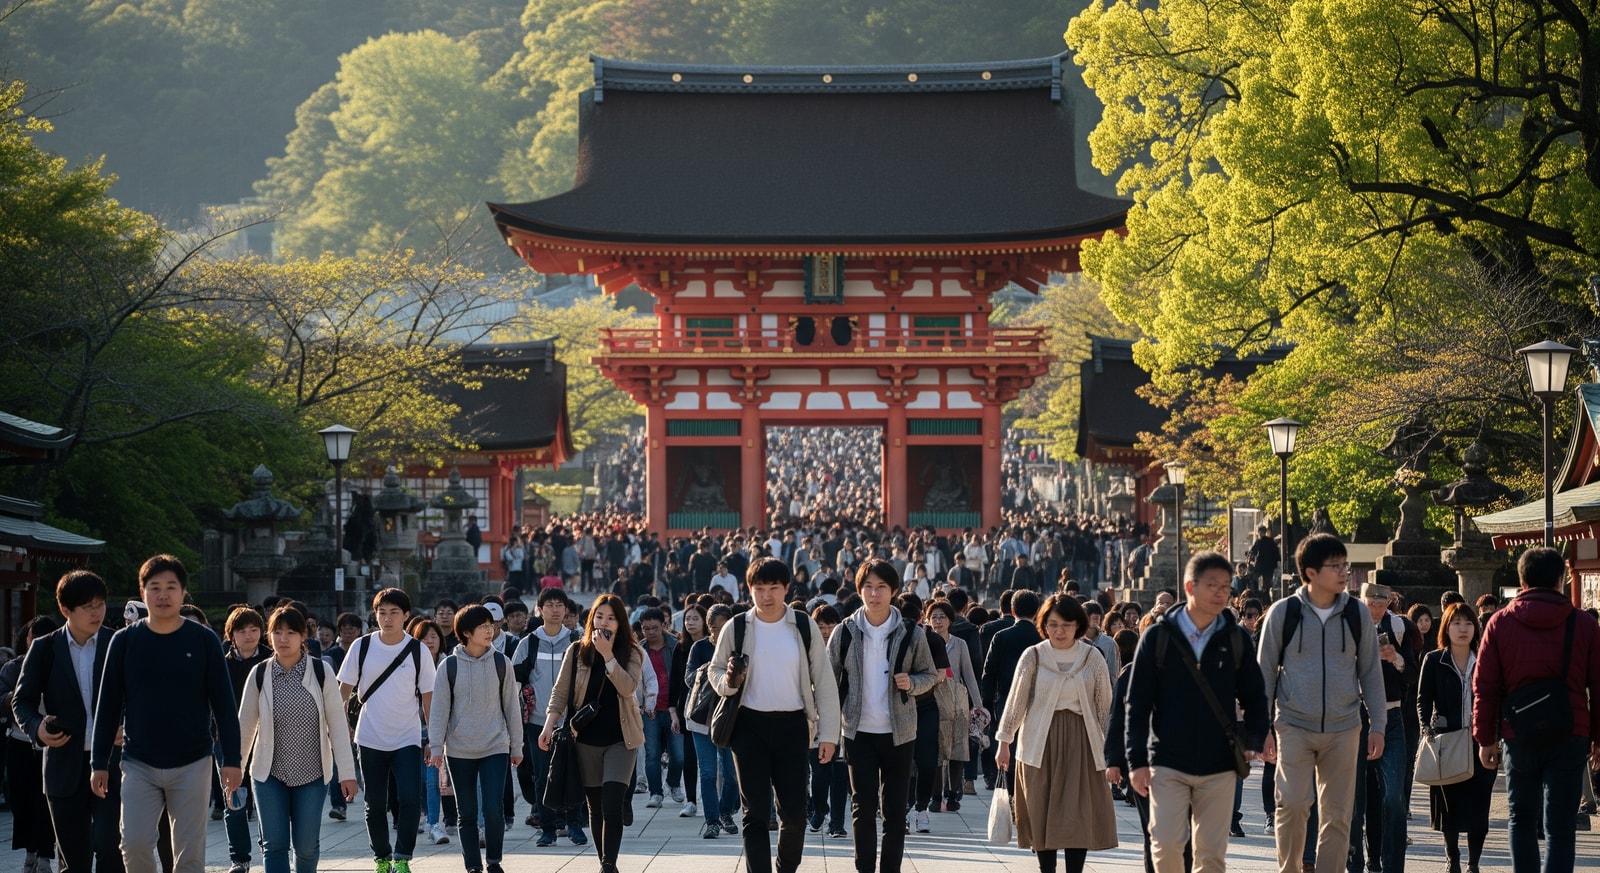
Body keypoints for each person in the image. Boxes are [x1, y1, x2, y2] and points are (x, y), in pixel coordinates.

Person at [92, 555, 244, 873]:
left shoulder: (203, 641)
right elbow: (107, 706)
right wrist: (99, 762)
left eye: (171, 587)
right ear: (143, 592)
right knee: (133, 845)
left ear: (183, 592)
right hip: (138, 762)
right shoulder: (124, 642)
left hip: (193, 762)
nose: (163, 595)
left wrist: (232, 759)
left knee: (189, 854)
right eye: (155, 587)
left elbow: (225, 705)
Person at [1124, 551, 1269, 873]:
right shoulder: (1159, 637)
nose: (1221, 593)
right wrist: (1136, 761)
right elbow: (1137, 703)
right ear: (1190, 587)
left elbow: (1256, 695)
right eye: (1212, 585)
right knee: (1166, 845)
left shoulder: (1235, 638)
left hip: (1219, 765)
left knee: (1211, 855)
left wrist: (1256, 737)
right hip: (1167, 761)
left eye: (1226, 586)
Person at [1256, 534, 1386, 873]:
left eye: (1345, 565)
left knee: (1340, 815)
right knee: (1294, 804)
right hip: (1294, 725)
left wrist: (1378, 726)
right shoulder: (1283, 614)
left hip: (1345, 727)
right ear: (1310, 572)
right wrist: (1261, 728)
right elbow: (1265, 674)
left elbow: (1371, 671)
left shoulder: (1357, 613)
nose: (1344, 572)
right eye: (1335, 566)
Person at [709, 557, 841, 873]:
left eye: (774, 588)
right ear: (749, 589)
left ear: (786, 589)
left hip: (793, 726)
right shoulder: (737, 626)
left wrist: (829, 735)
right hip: (748, 726)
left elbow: (823, 680)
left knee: (794, 814)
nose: (766, 596)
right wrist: (728, 682)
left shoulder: (803, 625)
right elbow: (714, 671)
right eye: (759, 589)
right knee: (754, 813)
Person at [1472, 547, 1600, 873]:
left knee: (1522, 818)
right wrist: (1598, 738)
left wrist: (1485, 738)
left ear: (1521, 580)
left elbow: (1485, 686)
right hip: (1570, 732)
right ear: (1560, 580)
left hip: (1519, 732)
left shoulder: (1500, 623)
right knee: (1560, 824)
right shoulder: (1583, 624)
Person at [828, 559, 937, 873]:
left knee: (894, 811)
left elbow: (930, 675)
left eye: (881, 588)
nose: (874, 594)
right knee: (862, 808)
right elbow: (827, 681)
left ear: (894, 591)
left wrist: (911, 682)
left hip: (899, 732)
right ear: (860, 590)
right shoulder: (844, 632)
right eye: (868, 587)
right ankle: (864, 868)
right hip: (857, 731)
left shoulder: (911, 633)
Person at [995, 594, 1117, 873]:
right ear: (1044, 625)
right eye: (1053, 624)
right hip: (1038, 742)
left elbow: (1103, 706)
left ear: (1079, 625)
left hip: (1082, 743)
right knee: (1041, 812)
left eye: (1066, 624)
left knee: (1078, 814)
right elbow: (1016, 702)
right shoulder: (1034, 656)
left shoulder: (1092, 657)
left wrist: (1110, 751)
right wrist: (1004, 742)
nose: (1059, 631)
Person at [11, 571, 120, 873]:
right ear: (65, 610)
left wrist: (127, 725)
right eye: (87, 606)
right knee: (74, 858)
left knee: (111, 846)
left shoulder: (117, 642)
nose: (96, 612)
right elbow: (23, 701)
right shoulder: (45, 648)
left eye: (100, 604)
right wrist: (37, 729)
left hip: (112, 763)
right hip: (63, 763)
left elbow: (138, 694)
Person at [237, 606, 358, 873]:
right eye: (277, 632)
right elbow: (245, 727)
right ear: (269, 636)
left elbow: (337, 725)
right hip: (269, 773)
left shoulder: (321, 672)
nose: (283, 639)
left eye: (291, 632)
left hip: (312, 774)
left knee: (305, 846)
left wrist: (347, 774)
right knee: (275, 845)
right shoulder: (259, 674)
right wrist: (236, 769)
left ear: (304, 635)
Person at [539, 593, 643, 873]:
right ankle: (604, 861)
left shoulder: (632, 653)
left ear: (620, 622)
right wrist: (549, 724)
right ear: (591, 619)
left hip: (622, 739)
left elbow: (628, 688)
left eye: (611, 617)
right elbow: (560, 692)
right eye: (599, 616)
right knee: (595, 808)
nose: (604, 622)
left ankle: (609, 865)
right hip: (583, 739)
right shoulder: (576, 651)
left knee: (612, 804)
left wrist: (608, 655)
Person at [337, 588, 436, 873]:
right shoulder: (362, 647)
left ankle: (403, 858)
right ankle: (382, 859)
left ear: (406, 615)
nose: (387, 618)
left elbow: (428, 697)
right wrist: (339, 727)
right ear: (375, 614)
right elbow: (340, 692)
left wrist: (432, 738)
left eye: (394, 613)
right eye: (382, 613)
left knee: (409, 800)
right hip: (369, 737)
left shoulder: (418, 651)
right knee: (374, 804)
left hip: (407, 738)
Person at [429, 605, 523, 873]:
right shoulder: (449, 666)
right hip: (459, 750)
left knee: (494, 809)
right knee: (467, 812)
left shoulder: (501, 662)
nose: (489, 630)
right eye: (482, 626)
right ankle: (472, 866)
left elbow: (511, 708)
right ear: (466, 633)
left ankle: (494, 862)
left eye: (490, 625)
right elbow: (439, 710)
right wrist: (436, 746)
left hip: (495, 746)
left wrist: (516, 745)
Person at [1417, 603, 1494, 873]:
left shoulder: (1486, 659)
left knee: (1479, 806)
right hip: (1446, 742)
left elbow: (1497, 697)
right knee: (1448, 805)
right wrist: (1427, 731)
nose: (1462, 629)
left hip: (1480, 742)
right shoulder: (1434, 660)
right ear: (1446, 627)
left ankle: (1474, 862)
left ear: (1476, 628)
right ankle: (1453, 857)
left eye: (1468, 623)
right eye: (1456, 623)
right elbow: (1422, 701)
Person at [514, 590, 586, 848]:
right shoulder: (528, 643)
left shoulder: (577, 641)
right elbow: (515, 681)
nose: (555, 609)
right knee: (542, 776)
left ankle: (575, 825)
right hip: (537, 722)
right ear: (540, 609)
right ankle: (547, 829)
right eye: (549, 605)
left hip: (573, 722)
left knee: (574, 774)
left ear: (566, 610)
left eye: (560, 605)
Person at [1355, 582, 1416, 873]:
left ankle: (1393, 865)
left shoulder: (1401, 627)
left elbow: (1414, 673)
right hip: (1355, 717)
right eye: (1371, 602)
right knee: (1359, 799)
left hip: (1392, 717)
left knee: (1393, 796)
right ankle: (1362, 860)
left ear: (1389, 601)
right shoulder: (1348, 624)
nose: (1376, 608)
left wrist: (1396, 659)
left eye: (1381, 603)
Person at [4, 615, 61, 873]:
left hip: (53, 743)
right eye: (33, 638)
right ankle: (29, 852)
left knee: (46, 802)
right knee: (21, 801)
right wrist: (15, 696)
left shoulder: (62, 665)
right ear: (27, 639)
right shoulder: (13, 667)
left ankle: (45, 856)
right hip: (19, 742)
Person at [222, 606, 271, 873]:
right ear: (232, 635)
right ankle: (239, 858)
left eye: (254, 630)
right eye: (242, 631)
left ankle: (270, 848)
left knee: (266, 795)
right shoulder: (221, 662)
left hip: (267, 738)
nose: (249, 635)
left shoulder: (270, 661)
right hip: (230, 740)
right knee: (235, 798)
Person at [924, 599, 984, 812]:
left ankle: (952, 793)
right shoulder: (923, 642)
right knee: (936, 749)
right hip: (932, 700)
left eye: (942, 617)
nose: (938, 621)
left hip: (957, 701)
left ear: (950, 621)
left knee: (958, 747)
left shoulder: (960, 644)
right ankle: (935, 794)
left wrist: (978, 705)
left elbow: (968, 674)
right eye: (934, 617)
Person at [686, 604, 740, 839]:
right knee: (707, 773)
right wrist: (710, 670)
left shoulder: (738, 649)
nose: (720, 634)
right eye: (715, 629)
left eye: (725, 627)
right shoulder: (699, 647)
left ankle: (726, 811)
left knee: (732, 773)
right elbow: (688, 678)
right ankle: (712, 821)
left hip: (728, 720)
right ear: (709, 629)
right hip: (701, 718)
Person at [636, 607, 684, 809]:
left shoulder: (675, 646)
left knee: (679, 755)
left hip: (673, 707)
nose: (650, 632)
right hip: (650, 710)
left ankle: (673, 783)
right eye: (646, 628)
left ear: (664, 625)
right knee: (652, 753)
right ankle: (655, 792)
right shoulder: (638, 650)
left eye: (654, 628)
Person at [410, 619, 451, 846]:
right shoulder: (409, 665)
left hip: (439, 730)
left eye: (434, 636)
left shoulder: (447, 664)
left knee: (433, 779)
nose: (429, 641)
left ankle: (435, 823)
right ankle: (427, 817)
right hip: (411, 729)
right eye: (424, 637)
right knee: (420, 780)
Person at [669, 603, 709, 819]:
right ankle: (691, 800)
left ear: (704, 621)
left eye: (695, 618)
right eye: (687, 619)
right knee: (689, 757)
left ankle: (715, 800)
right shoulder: (680, 647)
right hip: (689, 708)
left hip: (712, 708)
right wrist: (673, 712)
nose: (690, 623)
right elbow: (675, 682)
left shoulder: (712, 646)